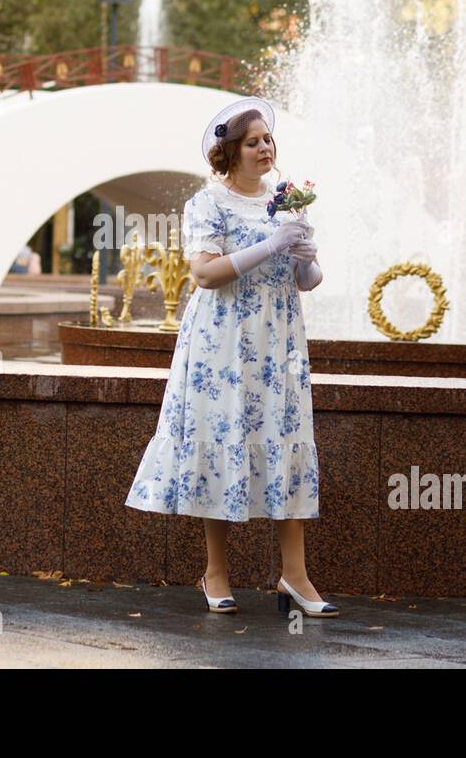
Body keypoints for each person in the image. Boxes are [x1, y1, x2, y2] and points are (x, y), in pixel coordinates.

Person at [124, 96, 337, 618]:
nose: (265, 148)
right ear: (230, 152)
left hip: (279, 341)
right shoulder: (208, 203)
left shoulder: (287, 202)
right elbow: (204, 274)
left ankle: (295, 575)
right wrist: (271, 246)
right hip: (222, 342)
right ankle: (215, 572)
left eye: (267, 139)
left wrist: (306, 259)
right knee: (221, 440)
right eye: (253, 142)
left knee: (285, 442)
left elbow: (305, 283)